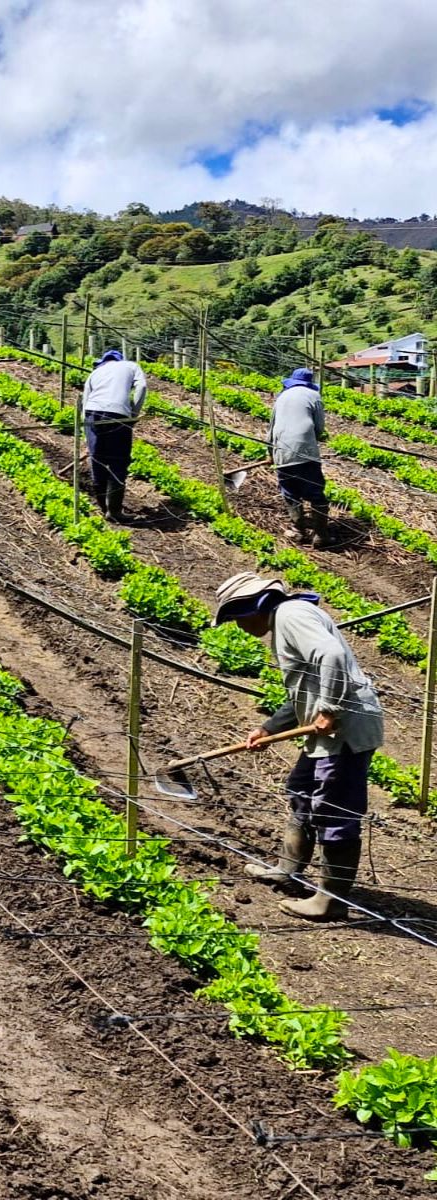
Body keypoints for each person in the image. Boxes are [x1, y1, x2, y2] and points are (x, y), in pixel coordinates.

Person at [213, 571, 383, 920]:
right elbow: (303, 689)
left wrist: (330, 709)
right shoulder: (288, 618)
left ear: (253, 608)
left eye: (236, 619)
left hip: (344, 730)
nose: (239, 627)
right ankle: (288, 869)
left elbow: (332, 656)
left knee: (334, 809)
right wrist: (268, 727)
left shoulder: (291, 616)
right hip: (328, 729)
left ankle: (330, 902)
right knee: (302, 790)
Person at [81, 348, 147, 522]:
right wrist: (134, 412)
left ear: (103, 361)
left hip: (92, 414)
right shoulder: (131, 366)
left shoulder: (95, 373)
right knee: (118, 460)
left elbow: (85, 401)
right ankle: (115, 511)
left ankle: (104, 508)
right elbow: (142, 386)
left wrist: (87, 430)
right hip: (118, 415)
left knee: (97, 459)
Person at [269, 367, 331, 547]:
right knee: (315, 492)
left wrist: (271, 452)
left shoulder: (281, 397)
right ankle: (321, 536)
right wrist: (310, 443)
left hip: (281, 450)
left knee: (290, 492)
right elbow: (319, 428)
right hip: (306, 452)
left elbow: (271, 428)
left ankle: (299, 531)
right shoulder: (314, 396)